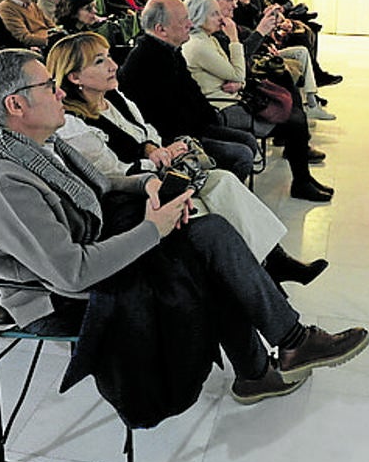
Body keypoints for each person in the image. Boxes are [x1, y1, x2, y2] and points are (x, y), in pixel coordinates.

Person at [0, 48, 369, 418]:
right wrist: (154, 229)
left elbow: (100, 184)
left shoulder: (31, 142)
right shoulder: (1, 181)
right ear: (16, 104)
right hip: (60, 298)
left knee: (210, 235)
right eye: (48, 86)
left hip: (93, 248)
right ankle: (272, 358)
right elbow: (72, 274)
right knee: (206, 258)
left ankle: (277, 354)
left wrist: (145, 185)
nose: (60, 92)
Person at [45, 32, 327, 285]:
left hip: (158, 171)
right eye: (99, 62)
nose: (112, 65)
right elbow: (112, 174)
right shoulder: (72, 122)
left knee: (224, 181)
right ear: (74, 77)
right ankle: (258, 273)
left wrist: (156, 148)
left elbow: (146, 130)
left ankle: (272, 261)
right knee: (211, 205)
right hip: (132, 195)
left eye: (108, 57)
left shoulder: (113, 97)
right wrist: (157, 158)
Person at [181, 0, 333, 201]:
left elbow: (236, 72)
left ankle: (303, 179)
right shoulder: (199, 45)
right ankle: (302, 182)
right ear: (199, 17)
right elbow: (237, 71)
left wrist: (240, 81)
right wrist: (234, 39)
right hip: (223, 109)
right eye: (214, 14)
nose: (221, 18)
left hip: (234, 98)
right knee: (294, 121)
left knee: (295, 114)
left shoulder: (207, 39)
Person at [117, 0, 260, 182]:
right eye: (183, 20)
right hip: (171, 138)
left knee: (248, 140)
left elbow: (193, 92)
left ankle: (230, 194)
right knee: (241, 155)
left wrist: (210, 120)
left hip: (193, 126)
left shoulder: (171, 50)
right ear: (161, 30)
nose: (190, 24)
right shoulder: (146, 61)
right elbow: (166, 116)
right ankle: (212, 195)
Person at [211, 0, 334, 120]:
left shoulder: (247, 9)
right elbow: (237, 59)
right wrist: (260, 32)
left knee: (302, 44)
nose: (235, 4)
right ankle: (301, 113)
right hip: (246, 72)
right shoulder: (218, 27)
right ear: (214, 0)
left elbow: (249, 37)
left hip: (255, 59)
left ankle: (310, 103)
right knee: (284, 71)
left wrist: (269, 33)